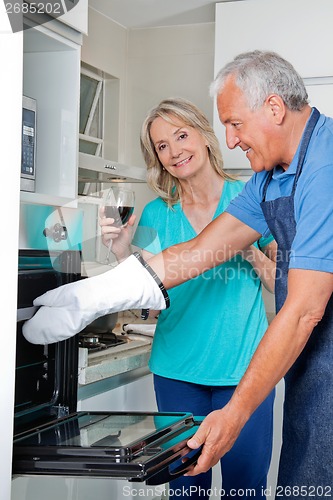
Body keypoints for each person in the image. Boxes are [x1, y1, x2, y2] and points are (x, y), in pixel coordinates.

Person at [23, 51, 333, 496]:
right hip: (305, 371)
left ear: (274, 108)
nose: (230, 139)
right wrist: (91, 296)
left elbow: (304, 309)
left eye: (235, 124)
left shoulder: (324, 169)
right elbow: (201, 250)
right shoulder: (270, 180)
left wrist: (236, 412)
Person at [99, 97, 277, 499]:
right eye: (162, 146)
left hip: (245, 373)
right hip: (178, 374)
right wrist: (124, 255)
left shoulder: (251, 198)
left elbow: (278, 281)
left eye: (181, 135)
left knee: (245, 490)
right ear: (157, 158)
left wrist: (243, 242)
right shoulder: (155, 214)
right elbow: (145, 303)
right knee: (185, 491)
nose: (175, 150)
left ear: (204, 135)